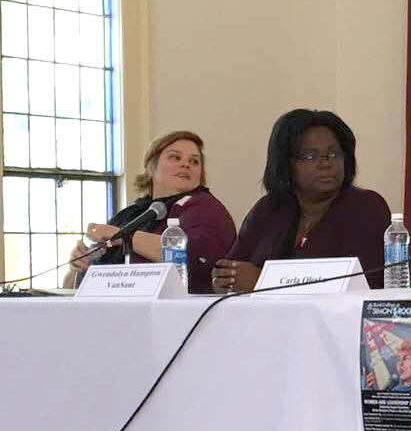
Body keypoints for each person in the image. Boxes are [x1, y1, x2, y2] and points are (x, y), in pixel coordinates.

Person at [211, 109, 392, 291]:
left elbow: (356, 283)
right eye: (310, 156)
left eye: (333, 154)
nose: (325, 163)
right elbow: (230, 270)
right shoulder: (269, 209)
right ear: (286, 164)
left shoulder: (366, 208)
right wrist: (224, 280)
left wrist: (263, 282)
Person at [65, 131, 237, 293]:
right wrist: (78, 264)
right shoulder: (130, 214)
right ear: (151, 167)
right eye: (175, 157)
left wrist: (123, 235)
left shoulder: (205, 208)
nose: (186, 164)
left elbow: (193, 257)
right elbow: (71, 287)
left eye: (194, 161)